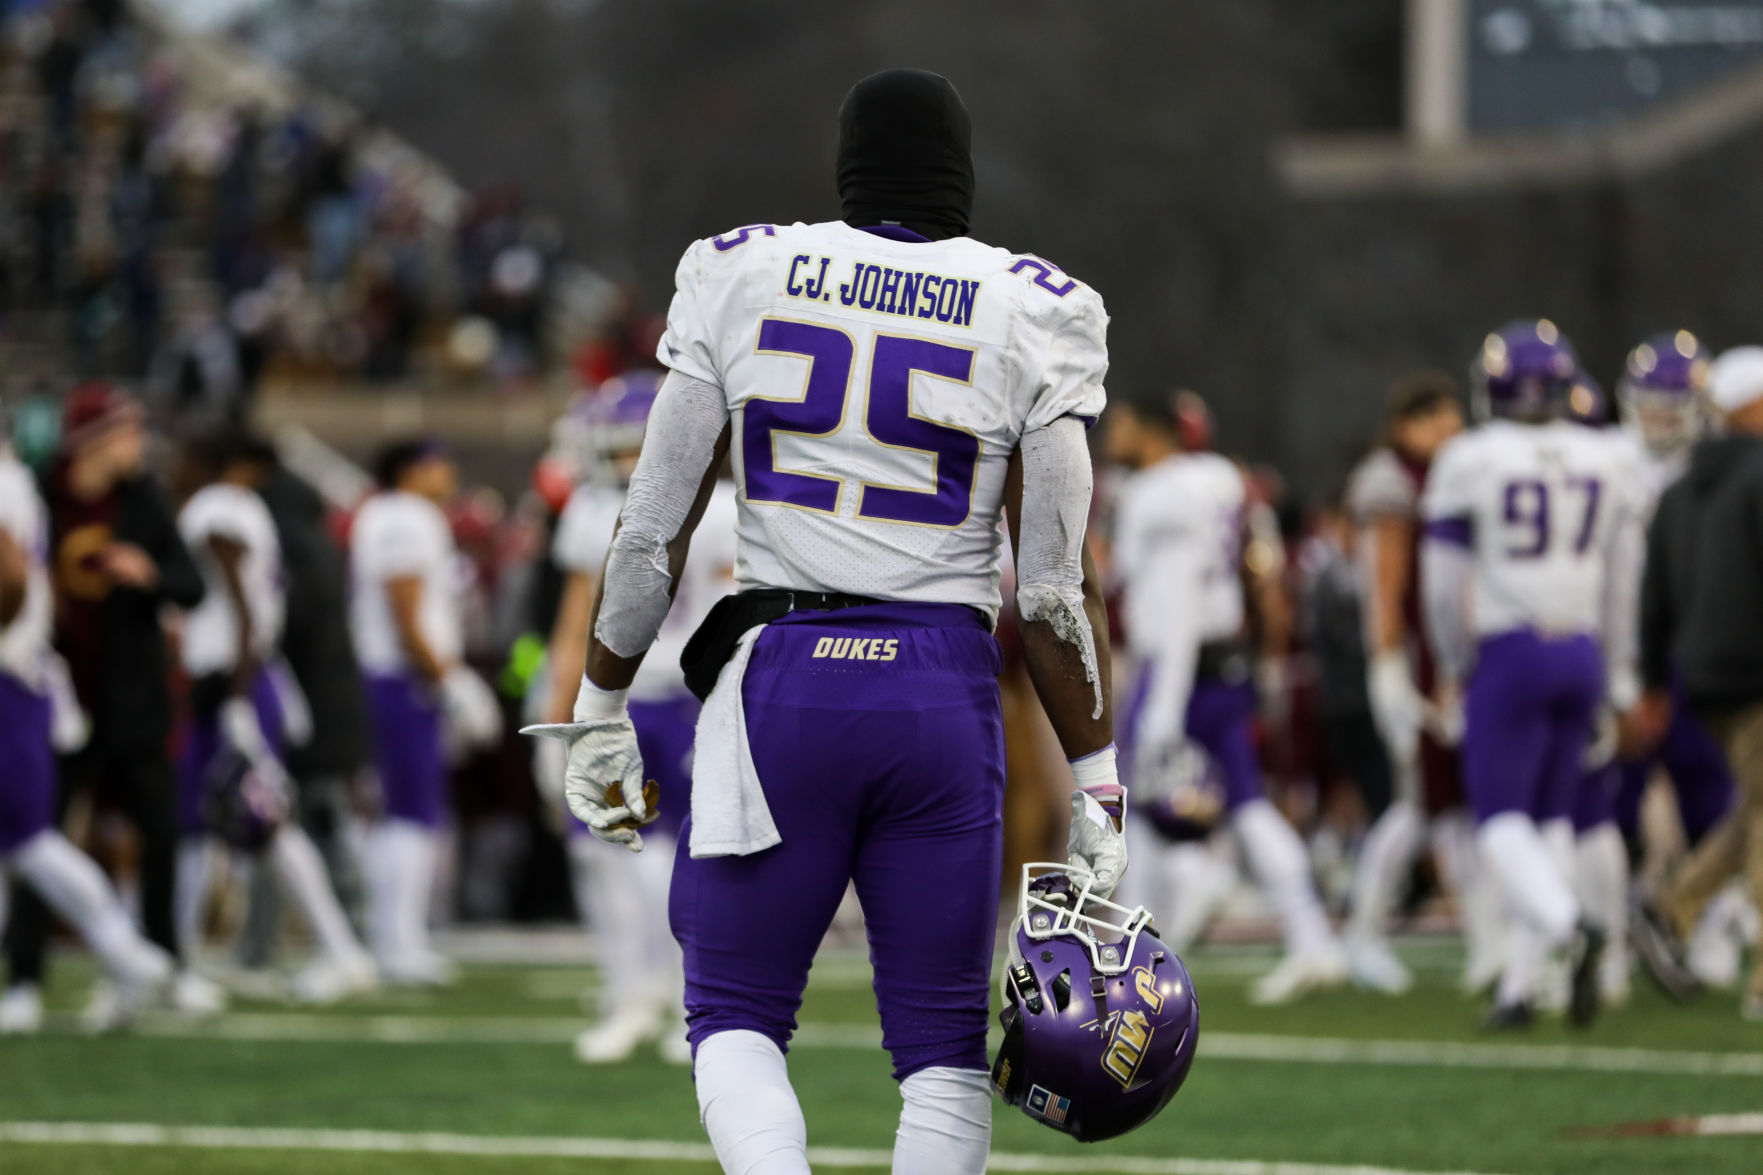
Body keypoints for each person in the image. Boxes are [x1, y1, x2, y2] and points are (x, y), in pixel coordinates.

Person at [526, 69, 1131, 1174]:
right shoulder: (1035, 304)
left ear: (844, 166)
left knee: (733, 1015)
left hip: (782, 685)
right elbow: (1050, 589)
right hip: (941, 689)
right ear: (963, 172)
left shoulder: (740, 270)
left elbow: (649, 528)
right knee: (941, 1049)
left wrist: (599, 700)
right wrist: (1095, 776)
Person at [1420, 320, 1641, 1029]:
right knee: (1551, 819)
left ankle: (1568, 922)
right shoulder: (1608, 456)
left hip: (1510, 652)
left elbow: (1438, 583)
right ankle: (1521, 985)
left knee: (1498, 823)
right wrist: (1614, 670)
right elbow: (1621, 581)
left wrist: (1455, 662)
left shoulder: (1470, 457)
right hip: (1579, 645)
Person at [1105, 390, 1345, 1005]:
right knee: (1246, 804)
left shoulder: (1157, 493)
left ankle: (1139, 954)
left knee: (1137, 811)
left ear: (1152, 430)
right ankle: (1313, 938)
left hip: (1177, 667)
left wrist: (1163, 701)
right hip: (1226, 658)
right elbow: (1254, 568)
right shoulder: (1220, 478)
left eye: (1124, 421)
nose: (1113, 431)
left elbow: (1177, 594)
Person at [538, 372, 738, 1064]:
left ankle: (651, 992)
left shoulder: (602, 510)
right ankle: (658, 992)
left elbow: (574, 628)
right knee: (649, 853)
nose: (623, 460)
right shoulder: (727, 505)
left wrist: (558, 706)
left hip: (654, 697)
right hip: (687, 698)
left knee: (639, 852)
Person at [3, 382, 218, 1026]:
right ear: (96, 437)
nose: (139, 443)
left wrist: (149, 572)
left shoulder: (143, 499)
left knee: (154, 831)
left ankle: (162, 960)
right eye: (128, 430)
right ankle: (26, 978)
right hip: (65, 687)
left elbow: (191, 585)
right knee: (37, 831)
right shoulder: (42, 491)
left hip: (127, 690)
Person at [172, 430, 377, 1004]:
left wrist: (236, 699)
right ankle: (182, 956)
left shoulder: (216, 507)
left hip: (232, 681)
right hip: (250, 677)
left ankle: (337, 950)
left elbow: (239, 606)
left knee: (245, 822)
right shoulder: (248, 507)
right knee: (232, 824)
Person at [1342, 373, 1502, 996]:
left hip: (1446, 656)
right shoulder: (1391, 480)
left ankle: (1486, 941)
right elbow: (1385, 583)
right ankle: (1364, 935)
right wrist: (1389, 666)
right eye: (1438, 421)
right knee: (1418, 802)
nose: (1452, 433)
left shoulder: (1443, 473)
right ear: (1407, 424)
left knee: (1450, 803)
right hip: (1413, 659)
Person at [1608, 334, 1745, 986]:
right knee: (1611, 804)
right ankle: (1619, 933)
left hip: (1693, 651)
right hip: (1622, 653)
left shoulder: (1715, 466)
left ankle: (1703, 920)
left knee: (1709, 794)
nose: (1659, 418)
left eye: (1672, 405)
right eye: (1650, 405)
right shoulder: (1605, 459)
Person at [1632, 347, 1763, 1020]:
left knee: (1757, 803)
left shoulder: (1681, 484)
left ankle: (1671, 904)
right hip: (1755, 664)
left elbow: (1652, 595)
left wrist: (1654, 679)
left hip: (1699, 673)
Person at [350, 440, 501, 985]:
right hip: (402, 679)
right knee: (413, 814)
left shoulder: (389, 514)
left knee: (405, 814)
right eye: (439, 463)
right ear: (412, 471)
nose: (449, 472)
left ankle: (396, 937)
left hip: (396, 677)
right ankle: (399, 941)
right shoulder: (407, 517)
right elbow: (405, 610)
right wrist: (449, 680)